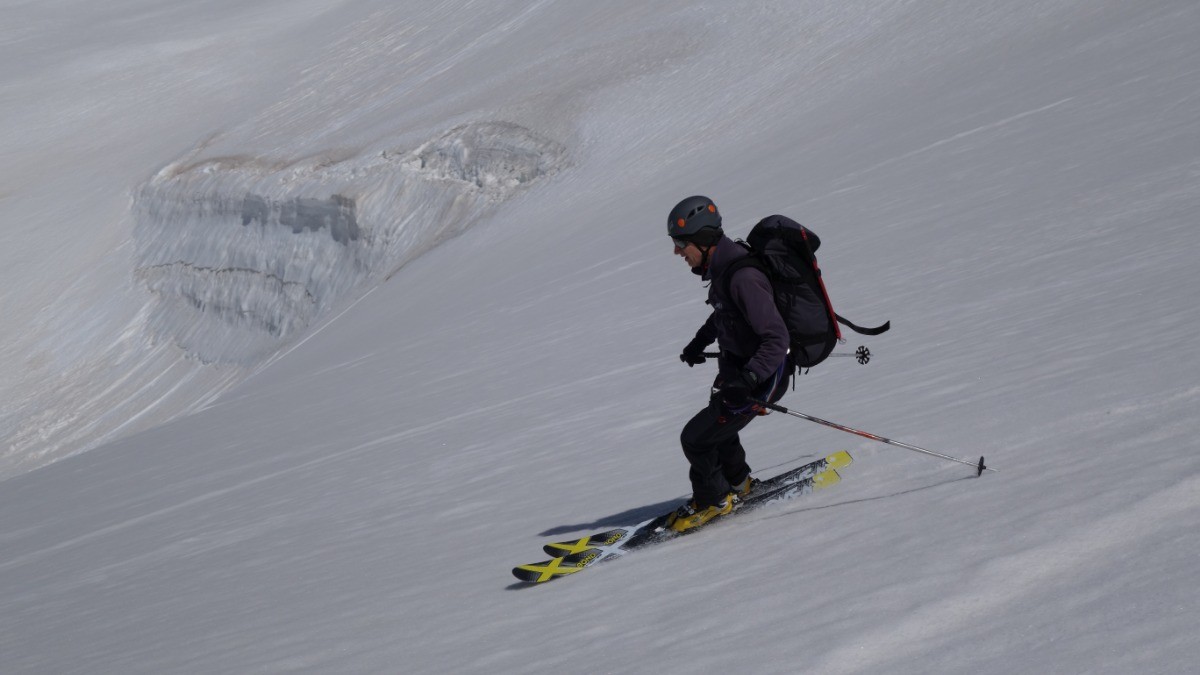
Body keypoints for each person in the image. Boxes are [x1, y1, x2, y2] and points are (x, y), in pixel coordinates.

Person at [665, 195, 791, 533]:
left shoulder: (742, 277)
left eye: (681, 243)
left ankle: (713, 501)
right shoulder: (725, 268)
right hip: (740, 374)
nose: (678, 252)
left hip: (760, 379)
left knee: (695, 438)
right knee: (718, 428)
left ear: (703, 241)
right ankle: (739, 485)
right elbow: (725, 312)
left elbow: (777, 338)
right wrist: (699, 342)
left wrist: (748, 378)